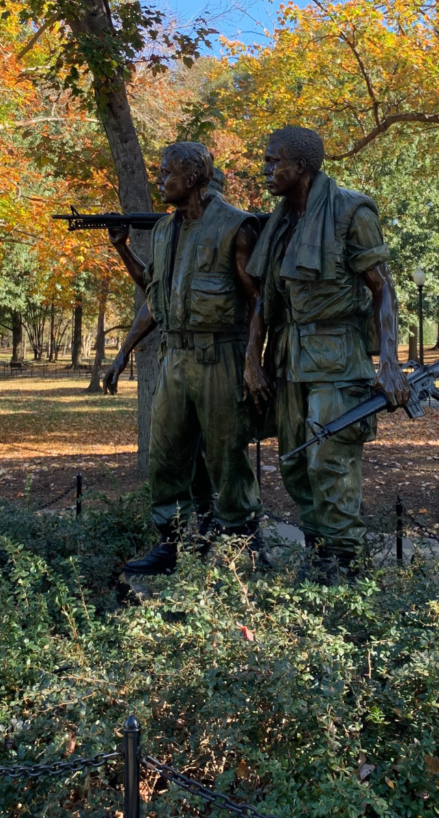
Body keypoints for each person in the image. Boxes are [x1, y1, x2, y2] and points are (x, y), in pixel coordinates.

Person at [244, 125, 409, 581]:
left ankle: (345, 563)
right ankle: (320, 556)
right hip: (289, 358)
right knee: (295, 461)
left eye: (273, 161)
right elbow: (262, 299)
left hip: (337, 357)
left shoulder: (349, 210)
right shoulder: (279, 222)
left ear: (301, 166)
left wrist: (390, 362)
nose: (265, 169)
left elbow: (383, 289)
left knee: (330, 460)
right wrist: (252, 361)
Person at [103, 143, 265, 577]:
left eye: (166, 173)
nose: (160, 181)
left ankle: (242, 548)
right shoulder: (163, 231)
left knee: (226, 457)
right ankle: (172, 544)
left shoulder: (236, 227)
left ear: (194, 177)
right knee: (167, 456)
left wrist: (253, 362)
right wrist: (123, 352)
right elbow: (156, 297)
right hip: (176, 360)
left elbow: (259, 301)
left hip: (220, 357)